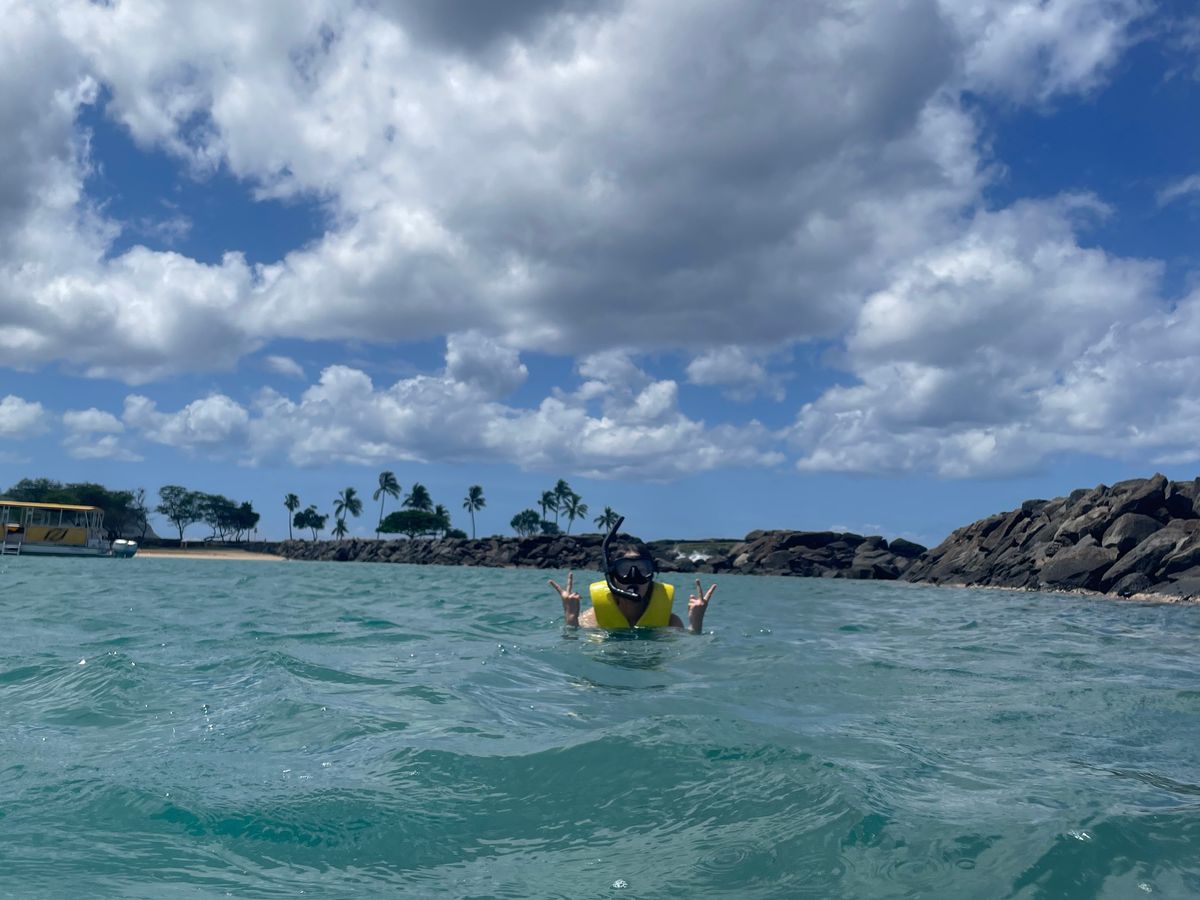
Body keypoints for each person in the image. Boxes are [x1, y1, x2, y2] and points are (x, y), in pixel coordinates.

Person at [549, 546, 717, 633]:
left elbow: (686, 654)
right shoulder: (593, 618)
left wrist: (696, 624)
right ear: (612, 576)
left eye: (642, 569)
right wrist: (570, 618)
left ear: (651, 574)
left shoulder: (669, 622)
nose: (634, 576)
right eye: (625, 569)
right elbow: (571, 648)